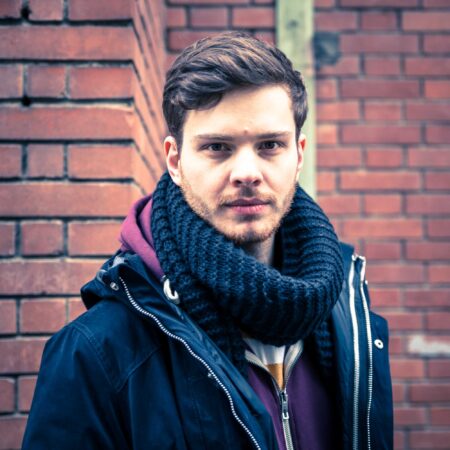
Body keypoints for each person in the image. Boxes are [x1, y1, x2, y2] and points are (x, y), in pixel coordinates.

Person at [22, 32, 393, 450]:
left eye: (270, 145)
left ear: (299, 155)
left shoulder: (350, 319)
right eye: (218, 147)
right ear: (175, 161)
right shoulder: (96, 354)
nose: (247, 173)